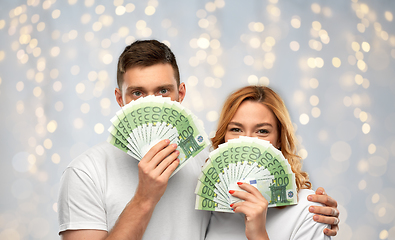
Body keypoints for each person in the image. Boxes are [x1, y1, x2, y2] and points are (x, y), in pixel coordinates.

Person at [57, 40, 339, 240]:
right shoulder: (85, 173)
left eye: (163, 90)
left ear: (181, 94)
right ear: (120, 99)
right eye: (137, 93)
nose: (152, 104)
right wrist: (145, 197)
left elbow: (266, 189)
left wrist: (312, 209)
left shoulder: (209, 160)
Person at [205, 85, 335, 240]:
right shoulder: (209, 205)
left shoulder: (310, 211)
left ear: (279, 138)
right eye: (236, 129)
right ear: (223, 136)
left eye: (262, 131)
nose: (247, 141)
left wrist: (259, 235)